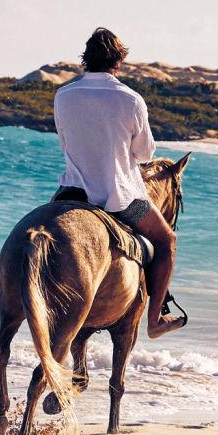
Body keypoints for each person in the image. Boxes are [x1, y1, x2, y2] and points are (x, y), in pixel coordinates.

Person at [52, 28, 184, 338]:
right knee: (166, 241)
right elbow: (145, 153)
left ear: (86, 59)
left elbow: (65, 143)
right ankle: (155, 320)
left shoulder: (64, 95)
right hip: (121, 199)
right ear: (118, 61)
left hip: (70, 194)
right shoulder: (131, 99)